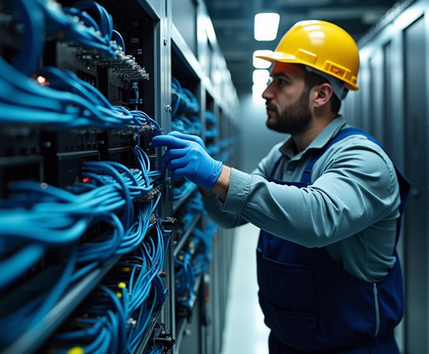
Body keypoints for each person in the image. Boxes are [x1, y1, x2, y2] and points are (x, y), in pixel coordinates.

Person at [151, 20, 410, 354]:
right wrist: (204, 183)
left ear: (322, 94)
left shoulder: (362, 158)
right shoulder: (283, 156)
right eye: (271, 78)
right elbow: (232, 216)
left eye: (281, 81)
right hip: (287, 342)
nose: (266, 91)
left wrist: (217, 174)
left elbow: (317, 219)